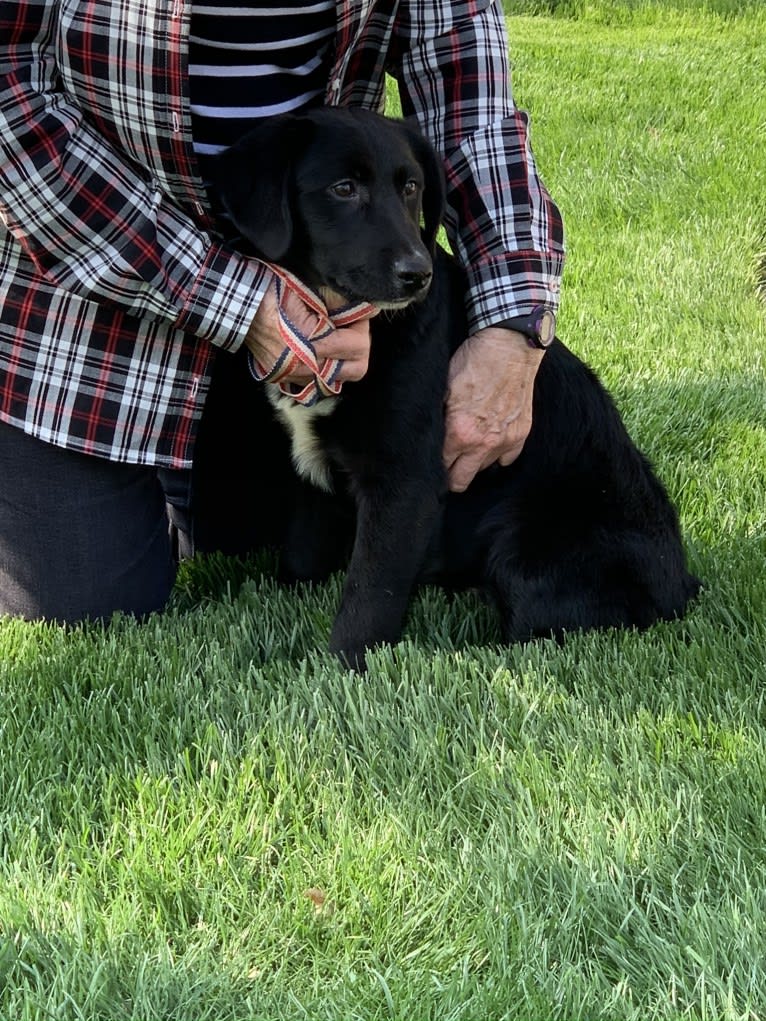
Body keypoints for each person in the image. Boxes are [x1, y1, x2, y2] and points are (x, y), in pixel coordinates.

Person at [0, 0, 564, 623]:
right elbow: (9, 90)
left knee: (259, 534)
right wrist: (239, 304)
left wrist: (514, 324)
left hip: (319, 297)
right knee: (84, 602)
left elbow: (472, 106)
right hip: (84, 299)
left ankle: (196, 472)